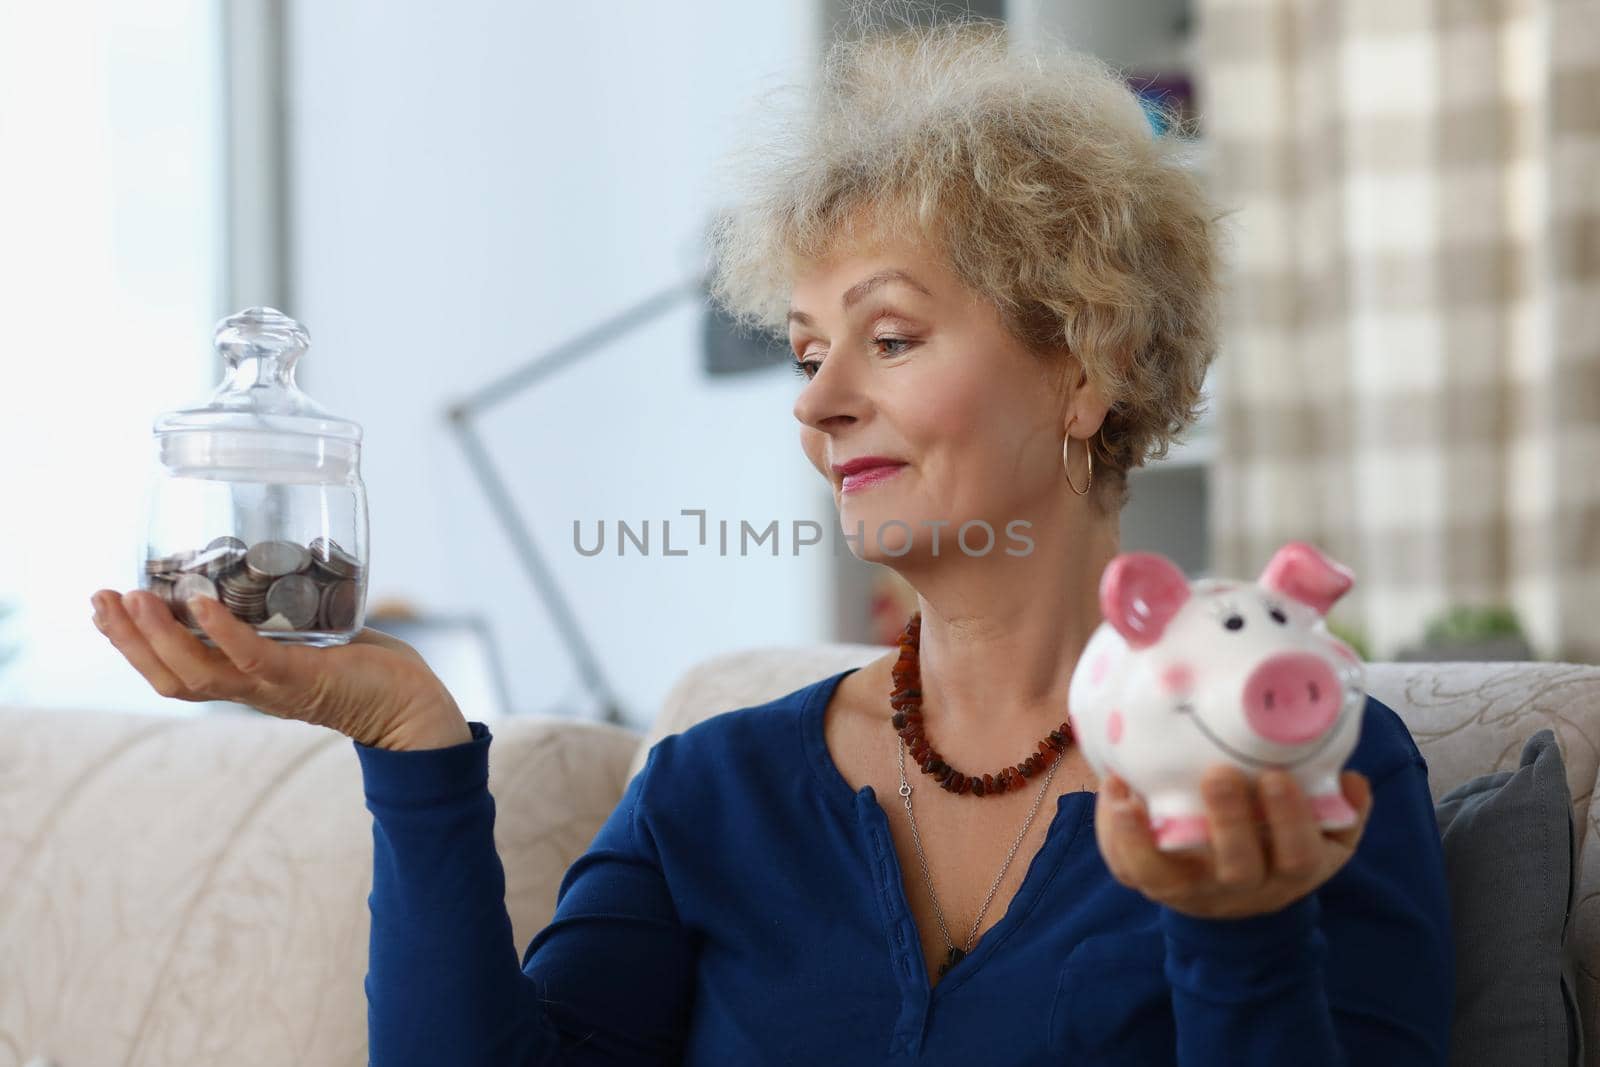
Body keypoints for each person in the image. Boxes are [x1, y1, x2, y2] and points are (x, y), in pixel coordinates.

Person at [90, 8, 1454, 1065]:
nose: (817, 398)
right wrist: (411, 744)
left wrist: (1239, 935)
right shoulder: (714, 792)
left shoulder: (1300, 764)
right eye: (807, 349)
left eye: (892, 337)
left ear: (1086, 366)